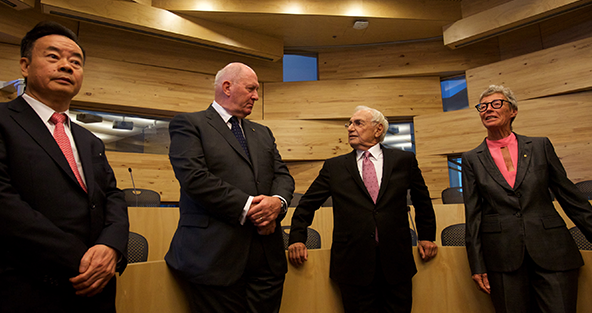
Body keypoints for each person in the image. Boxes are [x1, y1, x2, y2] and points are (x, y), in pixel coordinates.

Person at [0, 21, 129, 313]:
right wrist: (80, 258)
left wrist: (111, 248)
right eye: (53, 57)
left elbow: (113, 196)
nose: (67, 66)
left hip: (96, 289)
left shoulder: (89, 139)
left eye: (76, 62)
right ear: (25, 66)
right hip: (25, 285)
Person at [165, 62, 295, 312]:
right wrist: (251, 208)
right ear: (227, 87)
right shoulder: (190, 125)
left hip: (267, 259)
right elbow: (194, 177)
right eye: (251, 89)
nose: (256, 96)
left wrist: (277, 203)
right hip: (213, 257)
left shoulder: (263, 133)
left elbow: (283, 175)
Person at [288, 105, 437, 313]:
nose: (350, 128)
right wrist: (296, 238)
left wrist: (427, 236)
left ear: (378, 130)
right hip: (352, 264)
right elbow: (307, 204)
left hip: (396, 263)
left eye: (358, 123)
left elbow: (422, 201)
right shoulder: (334, 167)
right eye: (349, 123)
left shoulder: (404, 161)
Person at [463, 85, 592, 313]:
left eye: (496, 104)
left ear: (513, 111)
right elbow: (473, 214)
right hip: (502, 259)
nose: (487, 110)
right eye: (482, 107)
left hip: (553, 252)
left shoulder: (540, 146)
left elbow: (569, 196)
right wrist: (477, 263)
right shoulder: (472, 158)